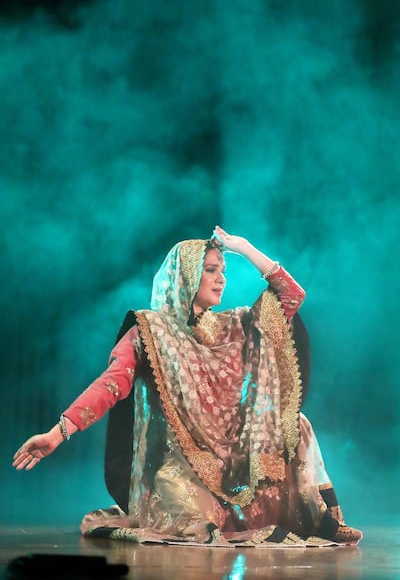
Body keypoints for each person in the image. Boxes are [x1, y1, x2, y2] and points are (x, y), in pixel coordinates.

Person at [13, 226, 362, 547]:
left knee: (294, 425)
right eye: (211, 269)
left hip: (234, 461)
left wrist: (244, 248)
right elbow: (112, 384)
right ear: (186, 274)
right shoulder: (152, 331)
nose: (221, 278)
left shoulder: (234, 327)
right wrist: (58, 433)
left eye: (223, 270)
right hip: (182, 464)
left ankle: (325, 518)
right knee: (200, 525)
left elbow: (290, 297)